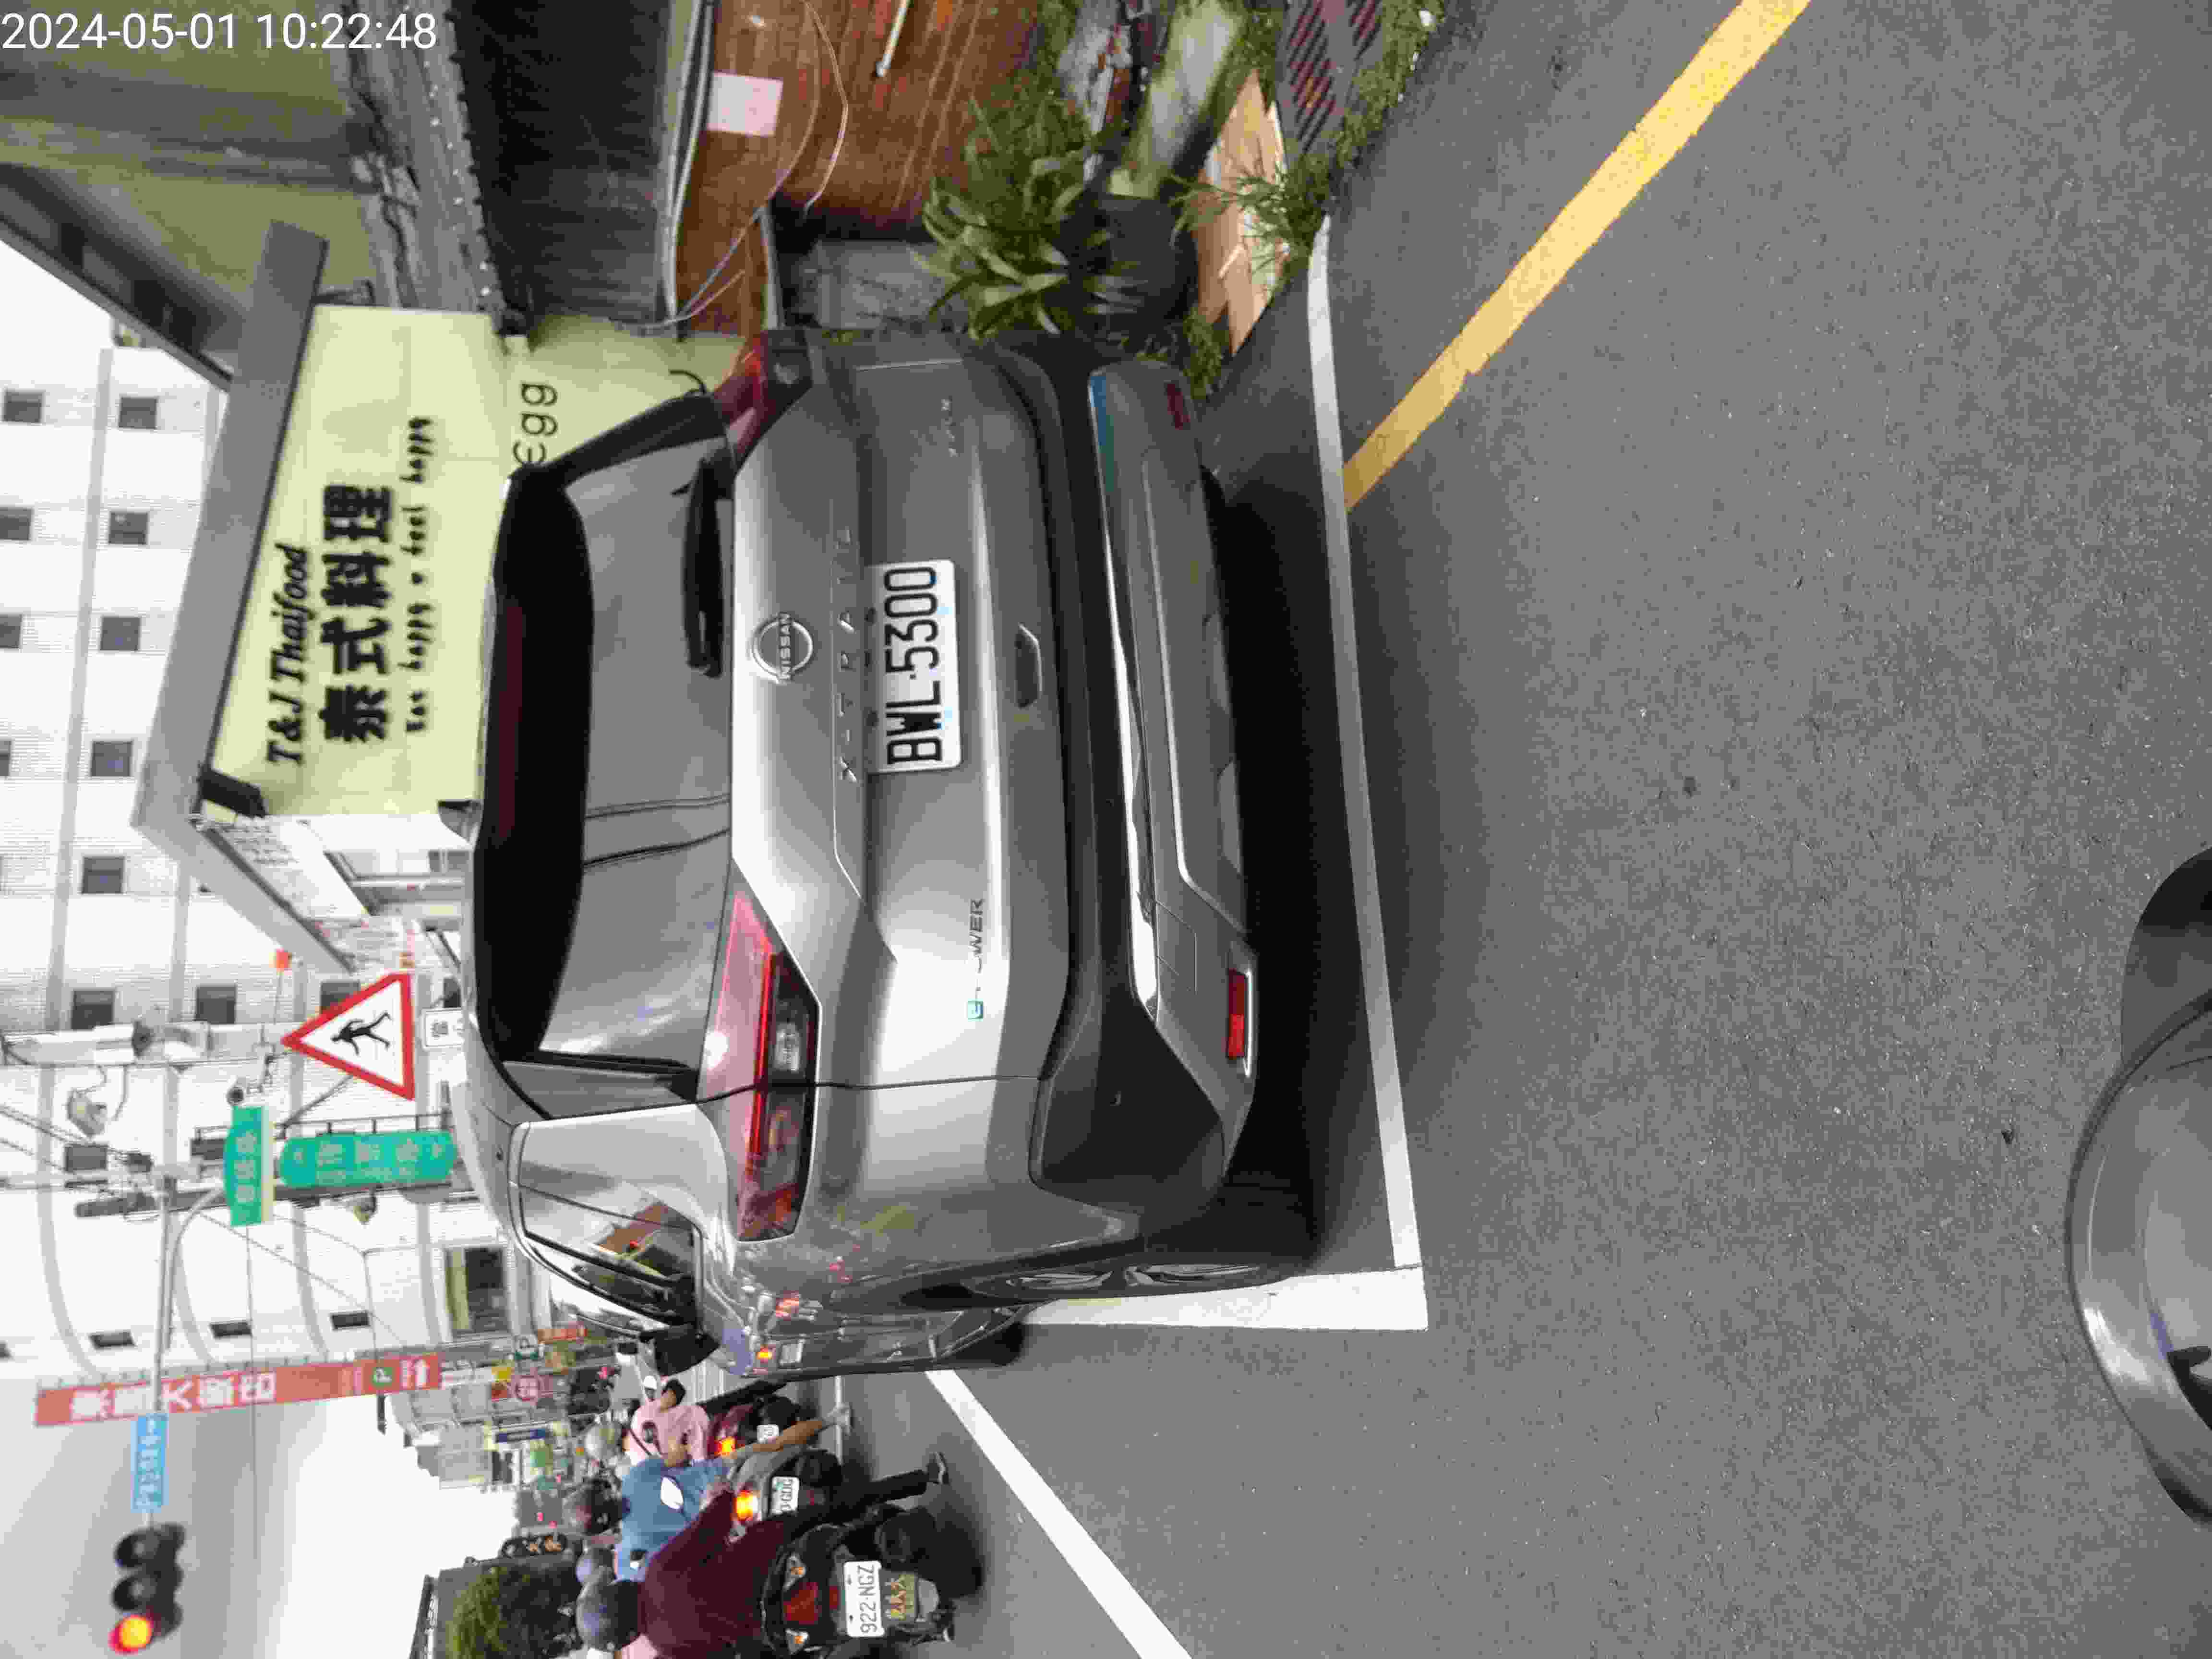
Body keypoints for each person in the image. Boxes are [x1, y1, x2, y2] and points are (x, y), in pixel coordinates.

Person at [638, 1451, 952, 1659]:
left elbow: (720, 1655)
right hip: (771, 1553)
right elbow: (709, 1530)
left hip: (777, 1628)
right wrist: (722, 1498)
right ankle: (924, 1477)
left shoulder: (665, 1644)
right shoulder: (658, 1573)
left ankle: (928, 1629)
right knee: (838, 1507)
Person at [629, 1378, 711, 1465]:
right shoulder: (644, 1413)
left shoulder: (673, 1416)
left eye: (673, 1399)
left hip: (655, 1460)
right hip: (654, 1460)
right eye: (669, 1396)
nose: (669, 1400)